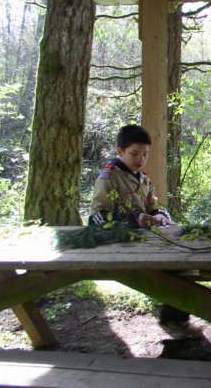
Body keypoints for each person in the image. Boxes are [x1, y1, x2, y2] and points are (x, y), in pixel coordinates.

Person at [88, 124, 185, 327]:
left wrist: (159, 216)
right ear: (120, 151)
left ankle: (175, 318)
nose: (140, 160)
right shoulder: (109, 177)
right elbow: (97, 217)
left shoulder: (143, 179)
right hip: (118, 244)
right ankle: (175, 319)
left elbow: (154, 207)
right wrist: (135, 219)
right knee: (175, 262)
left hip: (144, 242)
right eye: (134, 154)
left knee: (181, 261)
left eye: (145, 154)